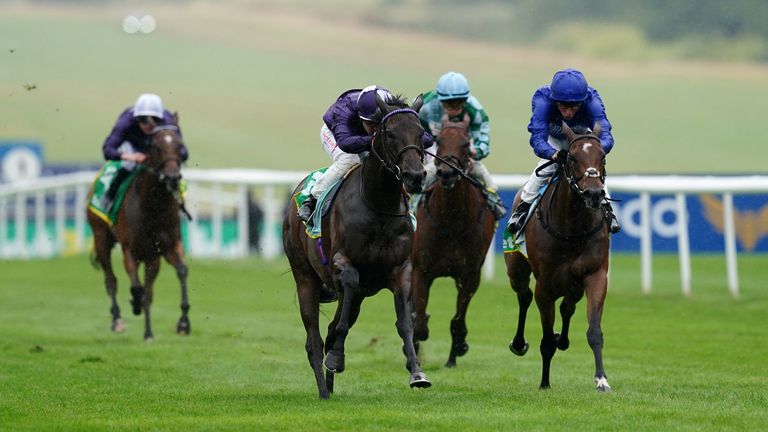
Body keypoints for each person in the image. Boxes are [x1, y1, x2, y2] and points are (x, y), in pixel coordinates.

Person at [506, 68, 620, 234]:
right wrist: (553, 154)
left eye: (574, 107)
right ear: (554, 100)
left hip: (582, 139)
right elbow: (537, 138)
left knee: (592, 168)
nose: (568, 112)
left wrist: (596, 151)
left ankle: (607, 208)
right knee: (546, 168)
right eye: (563, 106)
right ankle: (522, 209)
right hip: (554, 140)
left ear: (582, 101)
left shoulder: (592, 100)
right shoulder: (542, 100)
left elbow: (606, 134)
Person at [297, 85, 432, 222]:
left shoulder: (392, 109)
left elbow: (425, 138)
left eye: (378, 124)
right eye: (370, 124)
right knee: (349, 159)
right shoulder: (344, 109)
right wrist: (376, 139)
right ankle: (312, 200)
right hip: (334, 134)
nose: (375, 129)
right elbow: (345, 143)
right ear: (360, 118)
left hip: (370, 136)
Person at [417, 71, 506, 220]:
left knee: (481, 171)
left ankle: (494, 202)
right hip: (432, 143)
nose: (454, 107)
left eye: (459, 102)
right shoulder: (426, 104)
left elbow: (483, 141)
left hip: (462, 144)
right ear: (440, 99)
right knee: (428, 171)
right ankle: (412, 204)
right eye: (448, 103)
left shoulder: (475, 110)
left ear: (466, 99)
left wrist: (474, 152)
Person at [101, 93, 189, 209]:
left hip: (158, 149)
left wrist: (170, 158)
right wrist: (130, 156)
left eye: (154, 120)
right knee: (129, 165)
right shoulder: (126, 121)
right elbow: (108, 149)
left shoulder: (168, 121)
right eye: (142, 119)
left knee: (171, 169)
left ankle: (178, 199)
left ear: (161, 118)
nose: (148, 124)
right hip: (133, 146)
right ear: (135, 118)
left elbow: (184, 152)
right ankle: (110, 195)